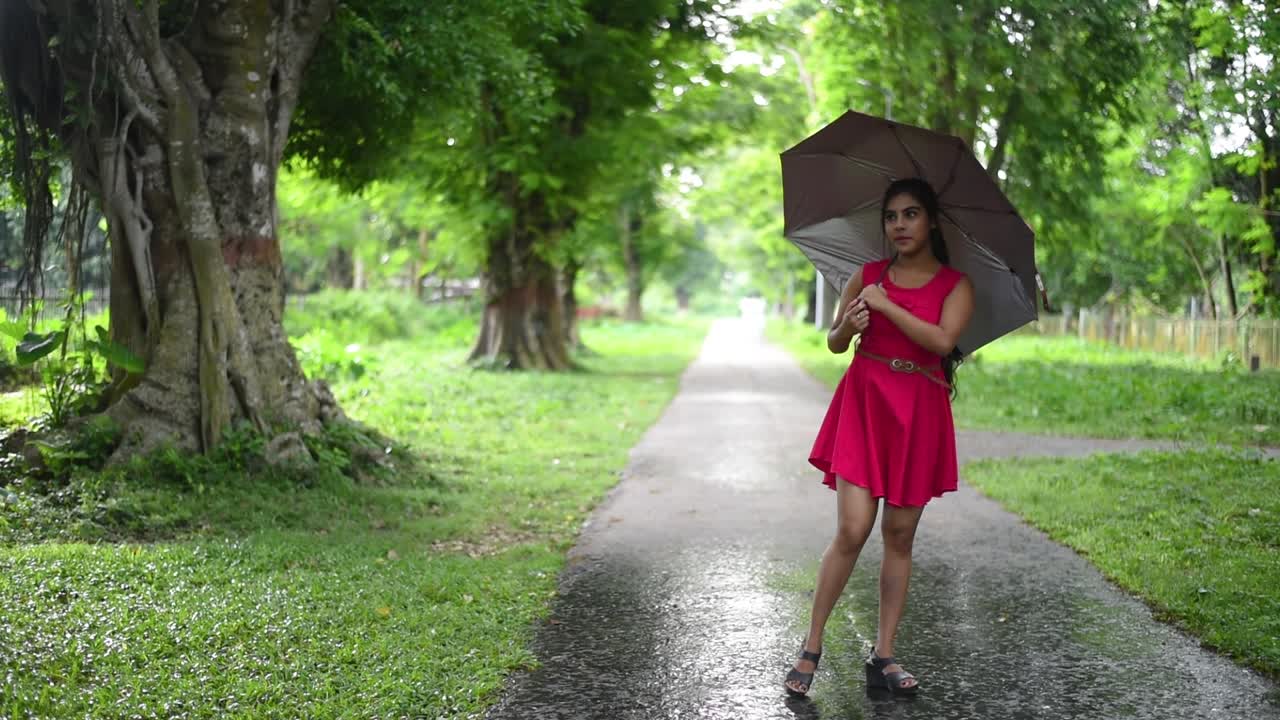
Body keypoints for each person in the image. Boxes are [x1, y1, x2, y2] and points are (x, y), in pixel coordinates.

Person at [783, 177, 975, 697]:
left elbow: (941, 340)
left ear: (931, 221)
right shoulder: (866, 276)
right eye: (892, 216)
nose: (899, 225)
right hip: (866, 405)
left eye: (911, 214)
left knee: (898, 535)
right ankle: (812, 645)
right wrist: (850, 322)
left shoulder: (956, 285)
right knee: (852, 528)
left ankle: (885, 655)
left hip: (918, 411)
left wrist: (887, 307)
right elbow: (834, 342)